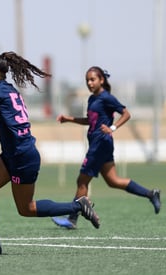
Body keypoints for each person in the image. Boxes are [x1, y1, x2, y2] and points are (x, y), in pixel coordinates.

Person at [0, 51, 100, 255]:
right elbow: (3, 124)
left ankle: (77, 206)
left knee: (26, 208)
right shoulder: (10, 90)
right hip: (15, 154)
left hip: (22, 156)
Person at [51, 66, 161, 229]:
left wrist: (113, 128)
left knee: (82, 181)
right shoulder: (92, 99)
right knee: (113, 181)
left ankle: (72, 218)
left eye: (92, 79)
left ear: (101, 80)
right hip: (102, 144)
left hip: (100, 145)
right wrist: (69, 119)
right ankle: (151, 194)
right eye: (87, 80)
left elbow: (126, 113)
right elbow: (91, 120)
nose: (89, 82)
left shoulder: (106, 97)